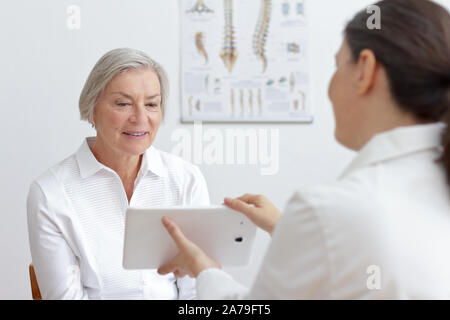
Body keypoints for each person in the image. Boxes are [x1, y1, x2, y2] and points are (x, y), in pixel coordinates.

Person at [157, 0, 450, 299]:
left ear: (365, 69)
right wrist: (294, 232)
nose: (329, 89)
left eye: (337, 66)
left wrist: (205, 270)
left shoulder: (330, 209)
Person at [27, 48, 209, 299]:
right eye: (123, 104)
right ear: (92, 108)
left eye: (152, 104)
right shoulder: (50, 194)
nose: (140, 118)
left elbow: (198, 294)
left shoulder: (186, 179)